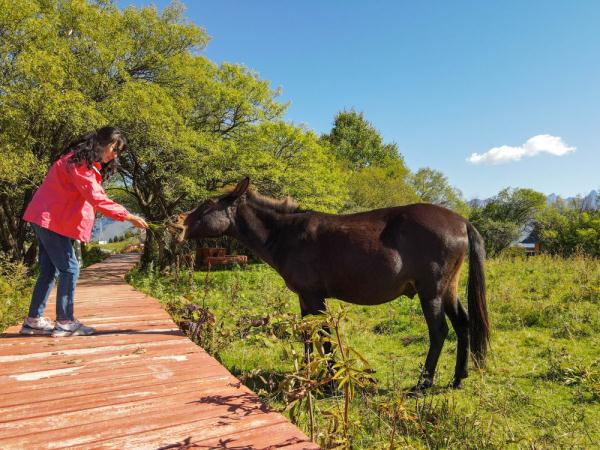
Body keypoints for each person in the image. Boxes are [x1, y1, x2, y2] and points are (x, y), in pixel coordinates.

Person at [20, 126, 148, 337]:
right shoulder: (79, 164)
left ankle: (33, 320)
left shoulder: (81, 162)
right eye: (114, 149)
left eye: (118, 152)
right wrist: (128, 216)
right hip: (51, 220)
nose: (114, 155)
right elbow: (97, 198)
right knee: (70, 268)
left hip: (48, 219)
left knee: (49, 270)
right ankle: (65, 322)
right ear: (102, 143)